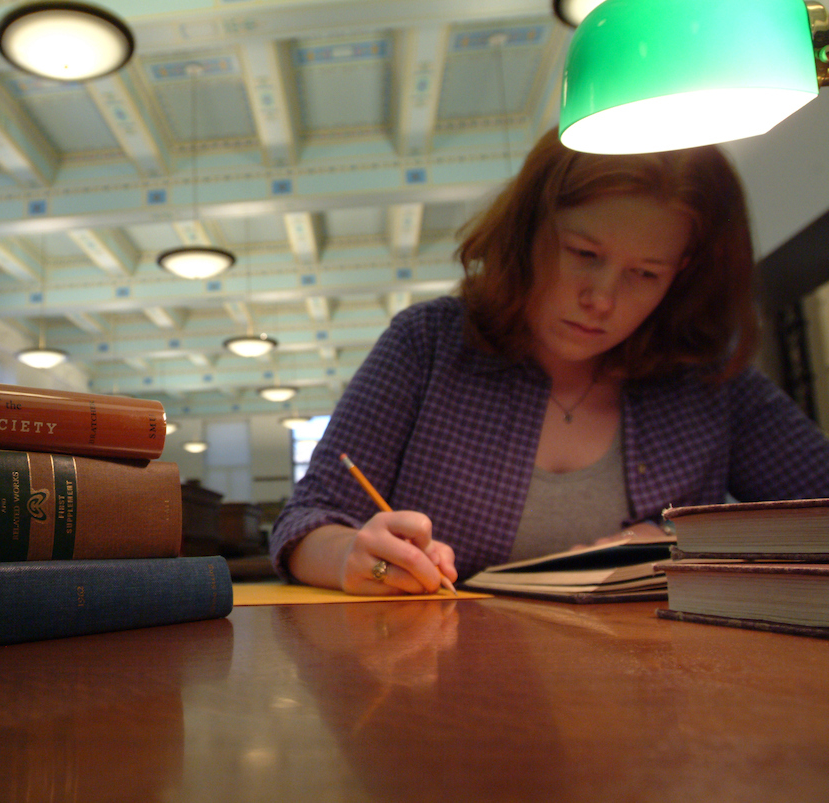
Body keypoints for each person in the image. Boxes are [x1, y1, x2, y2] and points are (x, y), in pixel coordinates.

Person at [270, 128, 829, 596]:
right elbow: (306, 520)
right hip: (446, 691)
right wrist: (351, 555)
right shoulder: (430, 344)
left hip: (656, 704)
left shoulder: (709, 381)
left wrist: (682, 544)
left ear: (682, 274)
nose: (602, 300)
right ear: (528, 231)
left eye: (645, 274)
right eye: (584, 254)